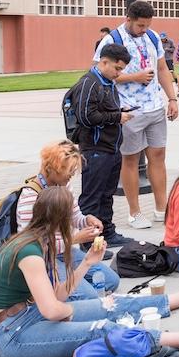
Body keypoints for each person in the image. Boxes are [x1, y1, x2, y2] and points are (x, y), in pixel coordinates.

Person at [0, 187, 179, 357]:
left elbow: (58, 294)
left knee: (111, 304)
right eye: (70, 219)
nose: (73, 225)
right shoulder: (29, 251)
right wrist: (74, 315)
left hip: (27, 316)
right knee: (101, 327)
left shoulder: (41, 243)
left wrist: (87, 263)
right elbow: (52, 310)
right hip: (9, 334)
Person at [93, 0, 179, 231]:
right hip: (128, 111)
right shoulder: (111, 40)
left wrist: (171, 98)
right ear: (128, 19)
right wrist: (135, 77)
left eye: (147, 25)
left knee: (158, 156)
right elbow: (101, 74)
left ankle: (162, 208)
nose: (144, 29)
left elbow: (162, 69)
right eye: (140, 25)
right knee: (130, 159)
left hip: (154, 108)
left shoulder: (151, 37)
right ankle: (134, 213)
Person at [16, 141, 118, 297]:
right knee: (88, 295)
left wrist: (87, 220)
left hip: (64, 251)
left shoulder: (64, 185)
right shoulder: (30, 196)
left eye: (74, 170)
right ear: (53, 168)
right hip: (44, 258)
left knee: (111, 281)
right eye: (70, 170)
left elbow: (75, 216)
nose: (72, 175)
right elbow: (31, 244)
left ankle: (69, 285)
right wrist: (74, 239)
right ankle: (48, 287)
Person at [70, 42, 134, 246]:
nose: (119, 73)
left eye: (121, 69)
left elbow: (102, 111)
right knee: (92, 196)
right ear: (104, 61)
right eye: (117, 68)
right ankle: (88, 240)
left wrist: (119, 111)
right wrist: (117, 116)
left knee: (107, 195)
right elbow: (85, 117)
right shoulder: (89, 83)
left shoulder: (106, 83)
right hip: (96, 149)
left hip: (111, 148)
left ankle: (106, 231)